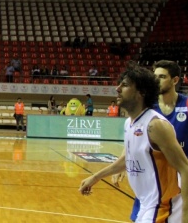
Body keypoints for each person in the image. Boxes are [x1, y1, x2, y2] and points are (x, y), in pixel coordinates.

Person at [79, 63, 188, 222]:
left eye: (125, 85)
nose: (117, 89)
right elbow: (126, 159)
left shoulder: (155, 125)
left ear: (141, 92)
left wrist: (185, 215)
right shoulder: (129, 123)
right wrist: (95, 177)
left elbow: (185, 168)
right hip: (145, 204)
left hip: (163, 208)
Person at [117, 60, 188, 221]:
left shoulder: (186, 105)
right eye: (154, 76)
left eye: (162, 76)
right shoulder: (148, 108)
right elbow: (134, 139)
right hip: (156, 180)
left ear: (175, 80)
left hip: (180, 179)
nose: (156, 80)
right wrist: (123, 164)